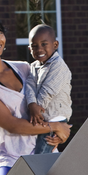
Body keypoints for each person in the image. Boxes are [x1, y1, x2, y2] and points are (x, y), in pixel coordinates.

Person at [0, 13, 70, 175]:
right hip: (13, 161)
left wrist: (59, 131)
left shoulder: (24, 68)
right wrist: (55, 127)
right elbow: (13, 125)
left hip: (45, 153)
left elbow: (51, 101)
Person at [24, 24, 72, 154]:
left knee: (42, 153)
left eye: (44, 44)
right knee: (46, 153)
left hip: (56, 116)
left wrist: (37, 111)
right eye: (34, 46)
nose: (39, 49)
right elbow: (29, 85)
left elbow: (48, 92)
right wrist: (32, 104)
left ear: (55, 45)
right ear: (29, 49)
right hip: (42, 115)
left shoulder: (58, 66)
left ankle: (39, 174)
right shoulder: (34, 66)